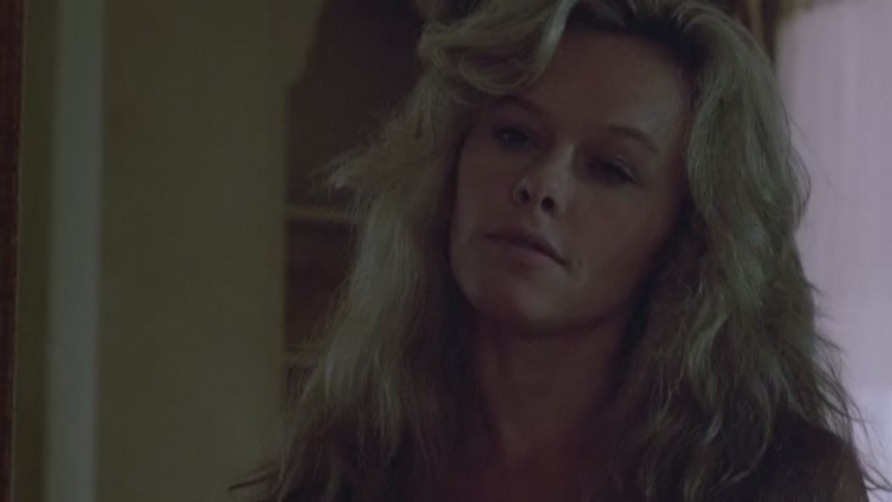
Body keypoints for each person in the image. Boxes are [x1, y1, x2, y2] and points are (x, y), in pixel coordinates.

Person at [239, 0, 892, 500]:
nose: (541, 185)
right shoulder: (347, 466)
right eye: (514, 135)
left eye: (610, 169)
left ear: (687, 234)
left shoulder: (775, 480)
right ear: (448, 168)